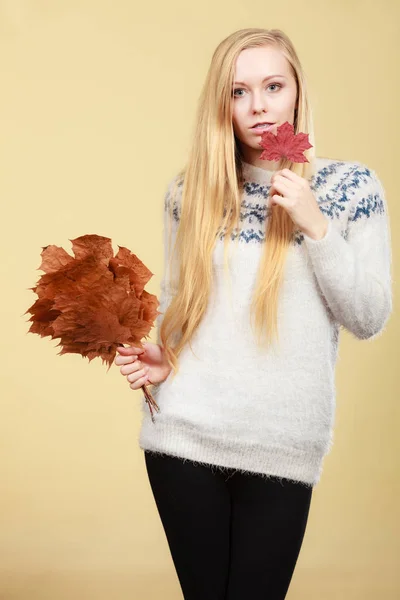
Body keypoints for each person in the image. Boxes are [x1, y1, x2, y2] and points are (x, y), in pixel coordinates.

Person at [115, 28, 393, 600]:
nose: (259, 106)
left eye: (273, 86)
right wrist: (165, 356)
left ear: (296, 92)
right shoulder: (189, 191)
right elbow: (178, 298)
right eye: (239, 91)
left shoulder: (351, 188)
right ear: (221, 103)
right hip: (184, 435)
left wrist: (316, 225)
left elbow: (368, 317)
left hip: (283, 442)